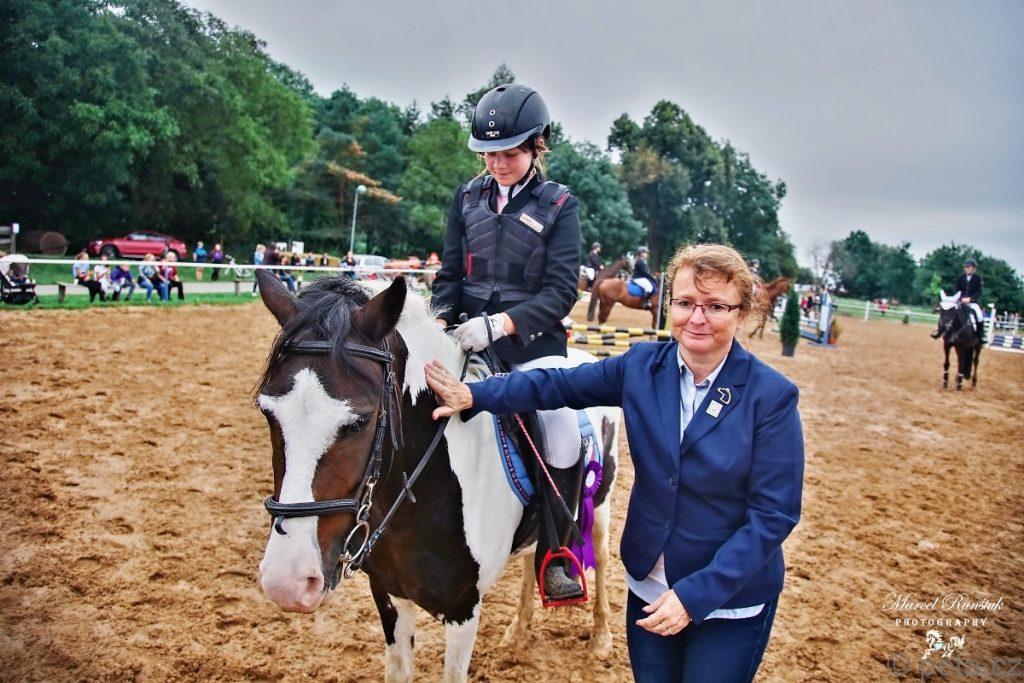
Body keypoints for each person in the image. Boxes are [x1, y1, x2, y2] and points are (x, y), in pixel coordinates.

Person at [426, 243, 804, 682]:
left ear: (741, 312)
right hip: (649, 587)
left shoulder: (772, 397)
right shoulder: (642, 367)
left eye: (715, 306)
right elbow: (557, 386)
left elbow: (773, 516)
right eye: (685, 303)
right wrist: (475, 395)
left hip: (729, 602)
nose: (697, 318)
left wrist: (694, 596)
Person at [431, 82, 586, 603]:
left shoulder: (560, 205)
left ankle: (555, 553)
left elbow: (560, 292)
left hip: (531, 346)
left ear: (538, 145)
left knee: (563, 430)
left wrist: (500, 325)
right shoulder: (466, 198)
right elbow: (450, 274)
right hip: (465, 339)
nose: (498, 164)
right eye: (489, 154)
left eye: (510, 153)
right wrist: (443, 319)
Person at [956, 258, 985, 339]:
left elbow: (979, 292)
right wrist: (961, 298)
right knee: (950, 312)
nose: (967, 269)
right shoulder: (960, 278)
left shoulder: (977, 278)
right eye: (966, 267)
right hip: (960, 301)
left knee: (980, 316)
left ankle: (981, 335)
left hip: (972, 303)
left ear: (973, 268)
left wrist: (970, 299)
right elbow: (957, 290)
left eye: (969, 267)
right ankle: (944, 330)